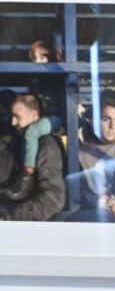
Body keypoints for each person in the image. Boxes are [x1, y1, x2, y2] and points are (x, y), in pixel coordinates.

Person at [0, 92, 67, 222]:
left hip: (32, 230)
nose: (13, 122)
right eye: (11, 116)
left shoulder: (47, 146)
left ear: (34, 116)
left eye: (17, 117)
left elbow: (52, 200)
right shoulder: (14, 144)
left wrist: (8, 217)